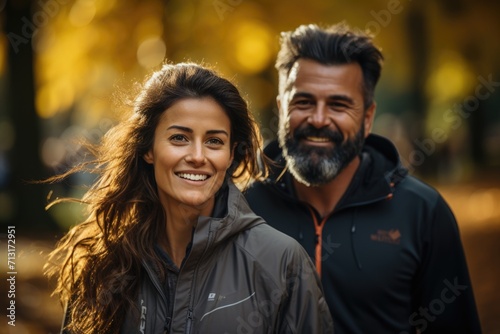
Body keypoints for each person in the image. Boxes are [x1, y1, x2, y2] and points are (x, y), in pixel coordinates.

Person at [44, 62, 334, 333]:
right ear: (148, 149)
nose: (197, 156)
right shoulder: (105, 262)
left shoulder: (282, 263)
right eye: (179, 138)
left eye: (214, 141)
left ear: (231, 154)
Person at [245, 23, 482, 334]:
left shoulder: (422, 212)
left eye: (339, 105)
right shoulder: (242, 208)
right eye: (303, 102)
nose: (318, 119)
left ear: (367, 118)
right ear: (281, 107)